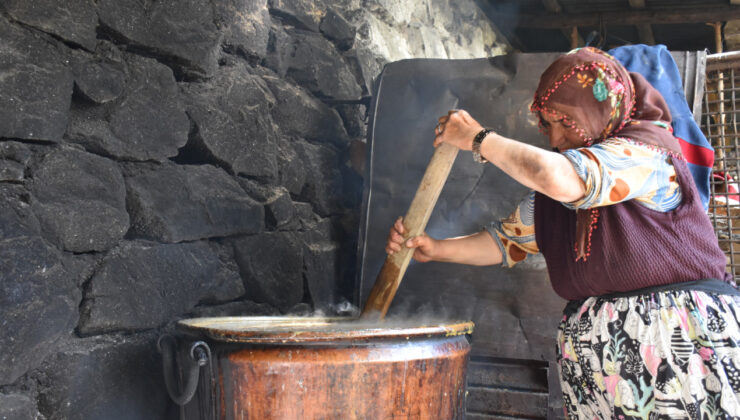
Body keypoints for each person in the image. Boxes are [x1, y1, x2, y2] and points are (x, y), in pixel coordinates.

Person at [385, 47, 740, 418]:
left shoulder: (645, 155)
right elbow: (504, 242)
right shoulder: (553, 197)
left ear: (599, 109)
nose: (554, 138)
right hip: (603, 367)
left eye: (565, 122)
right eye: (546, 125)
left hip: (677, 348)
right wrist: (434, 248)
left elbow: (568, 179)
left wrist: (478, 138)